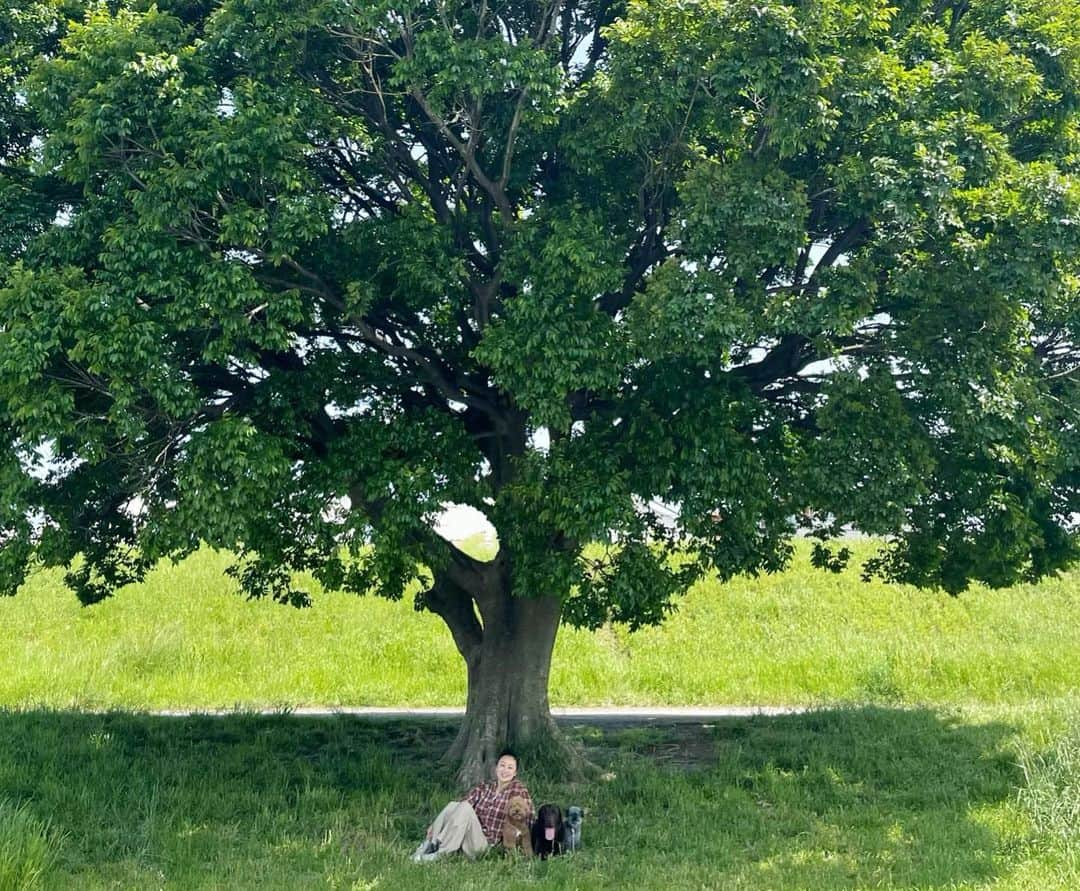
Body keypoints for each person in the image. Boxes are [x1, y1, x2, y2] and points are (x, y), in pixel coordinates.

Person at [411, 749, 535, 861]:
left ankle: (442, 853)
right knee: (453, 805)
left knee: (465, 807)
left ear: (515, 773)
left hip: (485, 844)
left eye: (510, 767)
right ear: (496, 768)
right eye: (502, 765)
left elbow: (529, 816)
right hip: (468, 835)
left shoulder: (518, 790)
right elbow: (462, 805)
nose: (505, 770)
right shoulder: (485, 787)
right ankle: (429, 844)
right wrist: (434, 824)